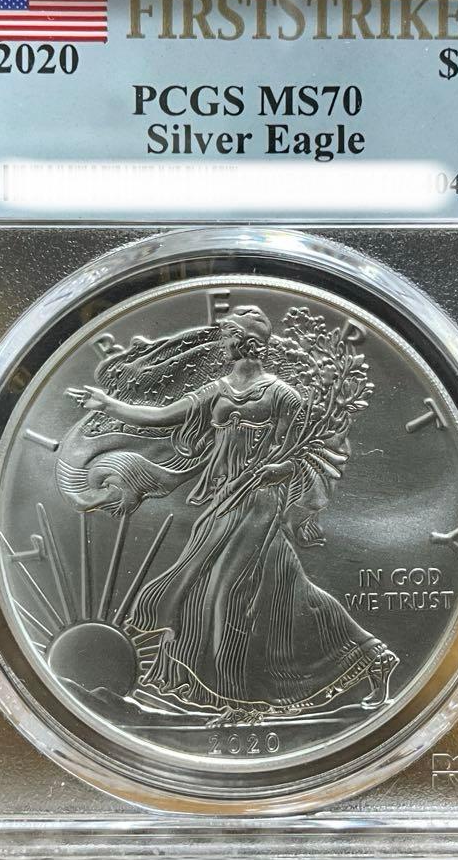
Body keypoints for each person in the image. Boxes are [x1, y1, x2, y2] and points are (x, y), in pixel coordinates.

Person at [71, 305, 398, 724]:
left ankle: (241, 701)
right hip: (224, 497)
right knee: (283, 590)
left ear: (246, 343)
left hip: (260, 499)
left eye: (227, 336)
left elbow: (307, 451)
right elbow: (161, 417)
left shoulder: (282, 395)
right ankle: (372, 657)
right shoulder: (218, 390)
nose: (221, 343)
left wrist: (280, 469)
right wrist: (108, 405)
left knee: (225, 590)